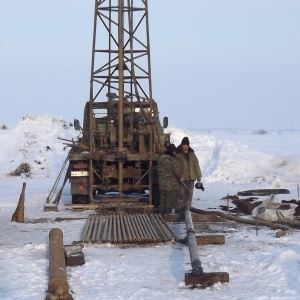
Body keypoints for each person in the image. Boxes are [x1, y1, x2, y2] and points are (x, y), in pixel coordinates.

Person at [176, 136, 202, 212]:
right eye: (184, 145)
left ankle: (187, 209)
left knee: (189, 195)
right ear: (181, 145)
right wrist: (178, 176)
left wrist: (198, 176)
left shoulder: (192, 154)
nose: (185, 146)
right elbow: (176, 166)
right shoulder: (178, 154)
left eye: (186, 145)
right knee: (181, 194)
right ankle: (179, 209)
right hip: (182, 179)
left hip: (191, 178)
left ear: (188, 145)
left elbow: (196, 165)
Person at [157, 143, 182, 214]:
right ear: (173, 151)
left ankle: (160, 216)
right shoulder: (173, 160)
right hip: (171, 186)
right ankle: (167, 217)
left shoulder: (160, 158)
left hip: (162, 185)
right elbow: (177, 172)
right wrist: (181, 178)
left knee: (162, 203)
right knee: (169, 203)